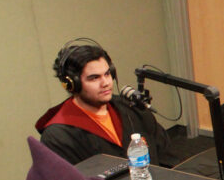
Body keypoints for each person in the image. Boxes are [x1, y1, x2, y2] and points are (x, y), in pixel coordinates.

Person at [35, 40, 174, 166]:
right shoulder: (58, 136)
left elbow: (167, 159)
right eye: (94, 78)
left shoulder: (132, 108)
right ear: (72, 85)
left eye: (107, 74)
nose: (106, 83)